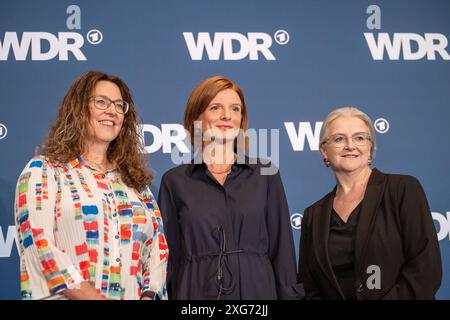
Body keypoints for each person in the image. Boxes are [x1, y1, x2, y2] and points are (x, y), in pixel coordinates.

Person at [14, 71, 168, 300]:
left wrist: (149, 295)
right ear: (78, 109)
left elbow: (158, 250)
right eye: (101, 102)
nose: (112, 111)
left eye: (119, 105)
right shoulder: (44, 171)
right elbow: (40, 248)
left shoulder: (135, 183)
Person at [158, 76, 301, 300]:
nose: (227, 116)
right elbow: (168, 258)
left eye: (235, 109)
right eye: (216, 107)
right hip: (195, 294)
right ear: (196, 117)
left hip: (257, 293)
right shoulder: (174, 181)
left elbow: (282, 251)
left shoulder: (265, 173)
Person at [298, 106, 442, 299]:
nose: (350, 145)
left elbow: (425, 270)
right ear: (324, 151)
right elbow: (309, 288)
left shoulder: (403, 189)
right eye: (339, 139)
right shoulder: (313, 215)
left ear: (370, 147)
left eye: (359, 138)